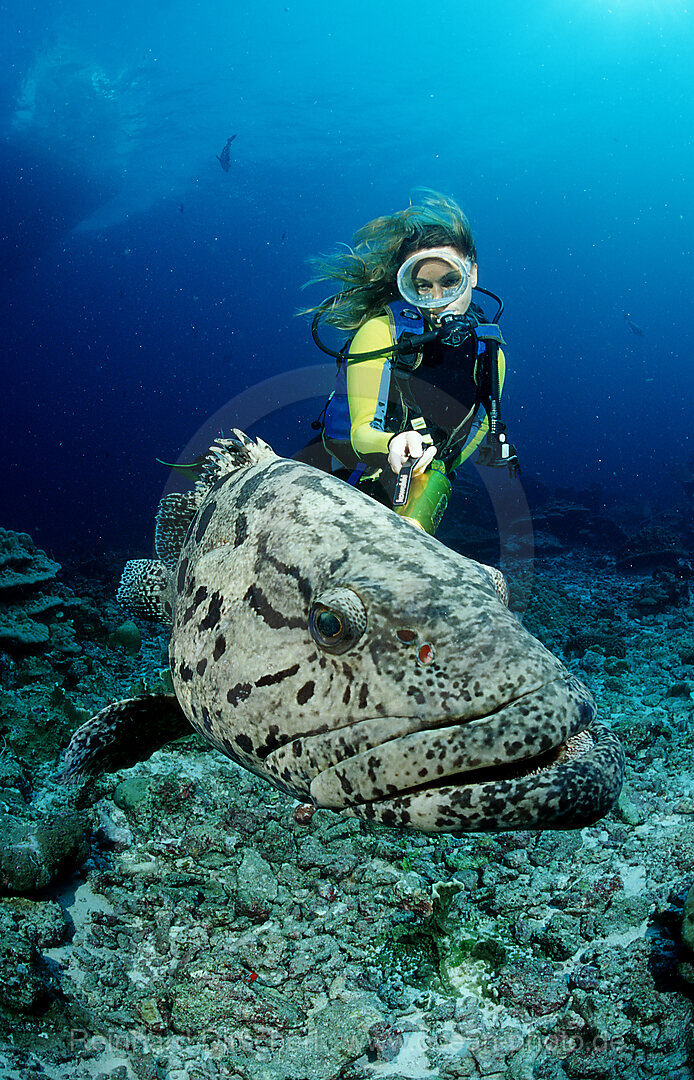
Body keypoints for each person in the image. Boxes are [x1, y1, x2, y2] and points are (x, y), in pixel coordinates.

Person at [304, 190, 515, 533]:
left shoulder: (491, 355)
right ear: (408, 289)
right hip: (335, 481)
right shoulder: (380, 333)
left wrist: (437, 468)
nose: (438, 300)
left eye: (450, 282)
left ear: (472, 273)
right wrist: (391, 443)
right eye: (423, 287)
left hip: (409, 494)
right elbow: (360, 434)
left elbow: (474, 431)